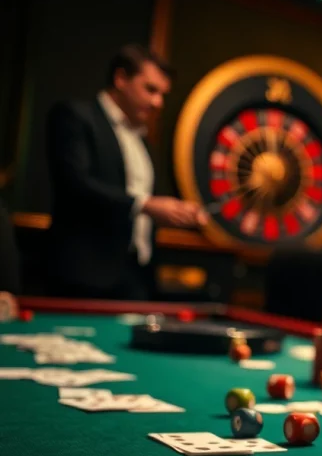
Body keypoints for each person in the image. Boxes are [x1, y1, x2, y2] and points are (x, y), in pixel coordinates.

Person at [45, 44, 207, 300]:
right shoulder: (76, 116)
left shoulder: (142, 141)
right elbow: (76, 184)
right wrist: (146, 205)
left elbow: (145, 204)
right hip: (84, 276)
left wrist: (177, 212)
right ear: (120, 79)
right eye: (151, 90)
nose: (158, 103)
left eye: (163, 94)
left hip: (135, 277)